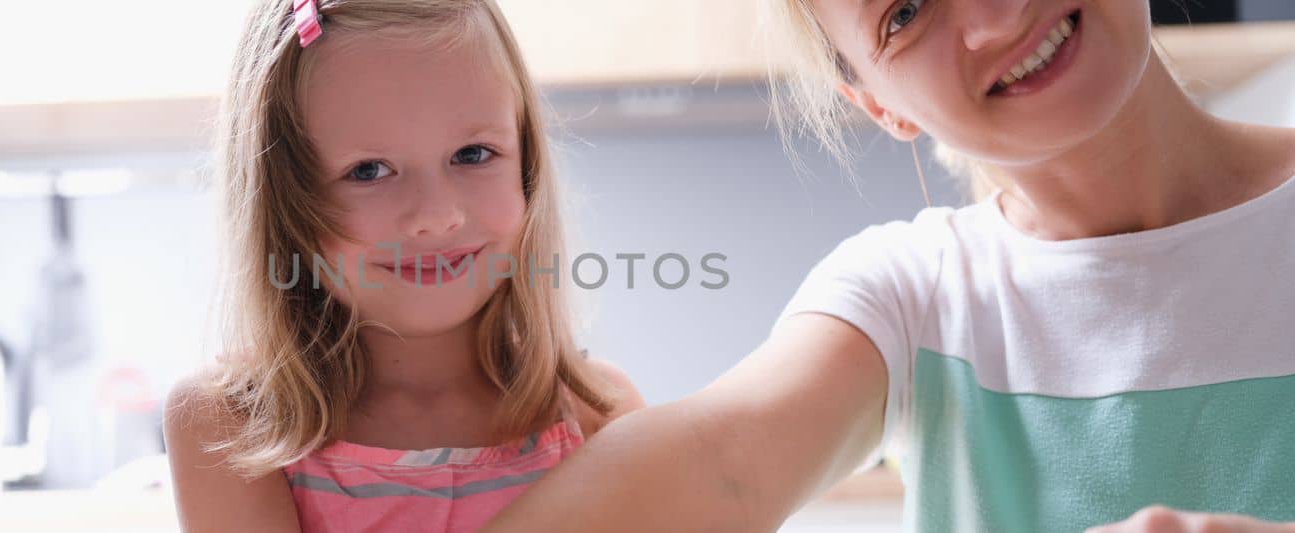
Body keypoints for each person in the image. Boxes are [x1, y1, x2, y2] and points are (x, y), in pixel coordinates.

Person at [484, 0, 1295, 531]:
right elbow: (722, 464)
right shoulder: (911, 295)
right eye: (905, 13)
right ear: (880, 104)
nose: (994, 15)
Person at [163, 1, 643, 531]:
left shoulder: (599, 414)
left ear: (525, 165)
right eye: (369, 170)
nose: (438, 217)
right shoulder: (233, 426)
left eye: (474, 154)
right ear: (284, 202)